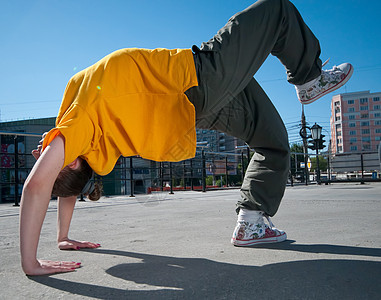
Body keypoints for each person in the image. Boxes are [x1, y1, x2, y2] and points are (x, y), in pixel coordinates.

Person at [20, 0, 353, 276]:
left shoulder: (75, 128)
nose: (40, 155)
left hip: (192, 108)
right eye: (48, 162)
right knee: (276, 9)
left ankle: (251, 221)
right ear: (71, 160)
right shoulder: (80, 128)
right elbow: (36, 187)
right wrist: (31, 263)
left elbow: (65, 188)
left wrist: (64, 237)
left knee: (273, 141)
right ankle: (309, 78)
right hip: (198, 77)